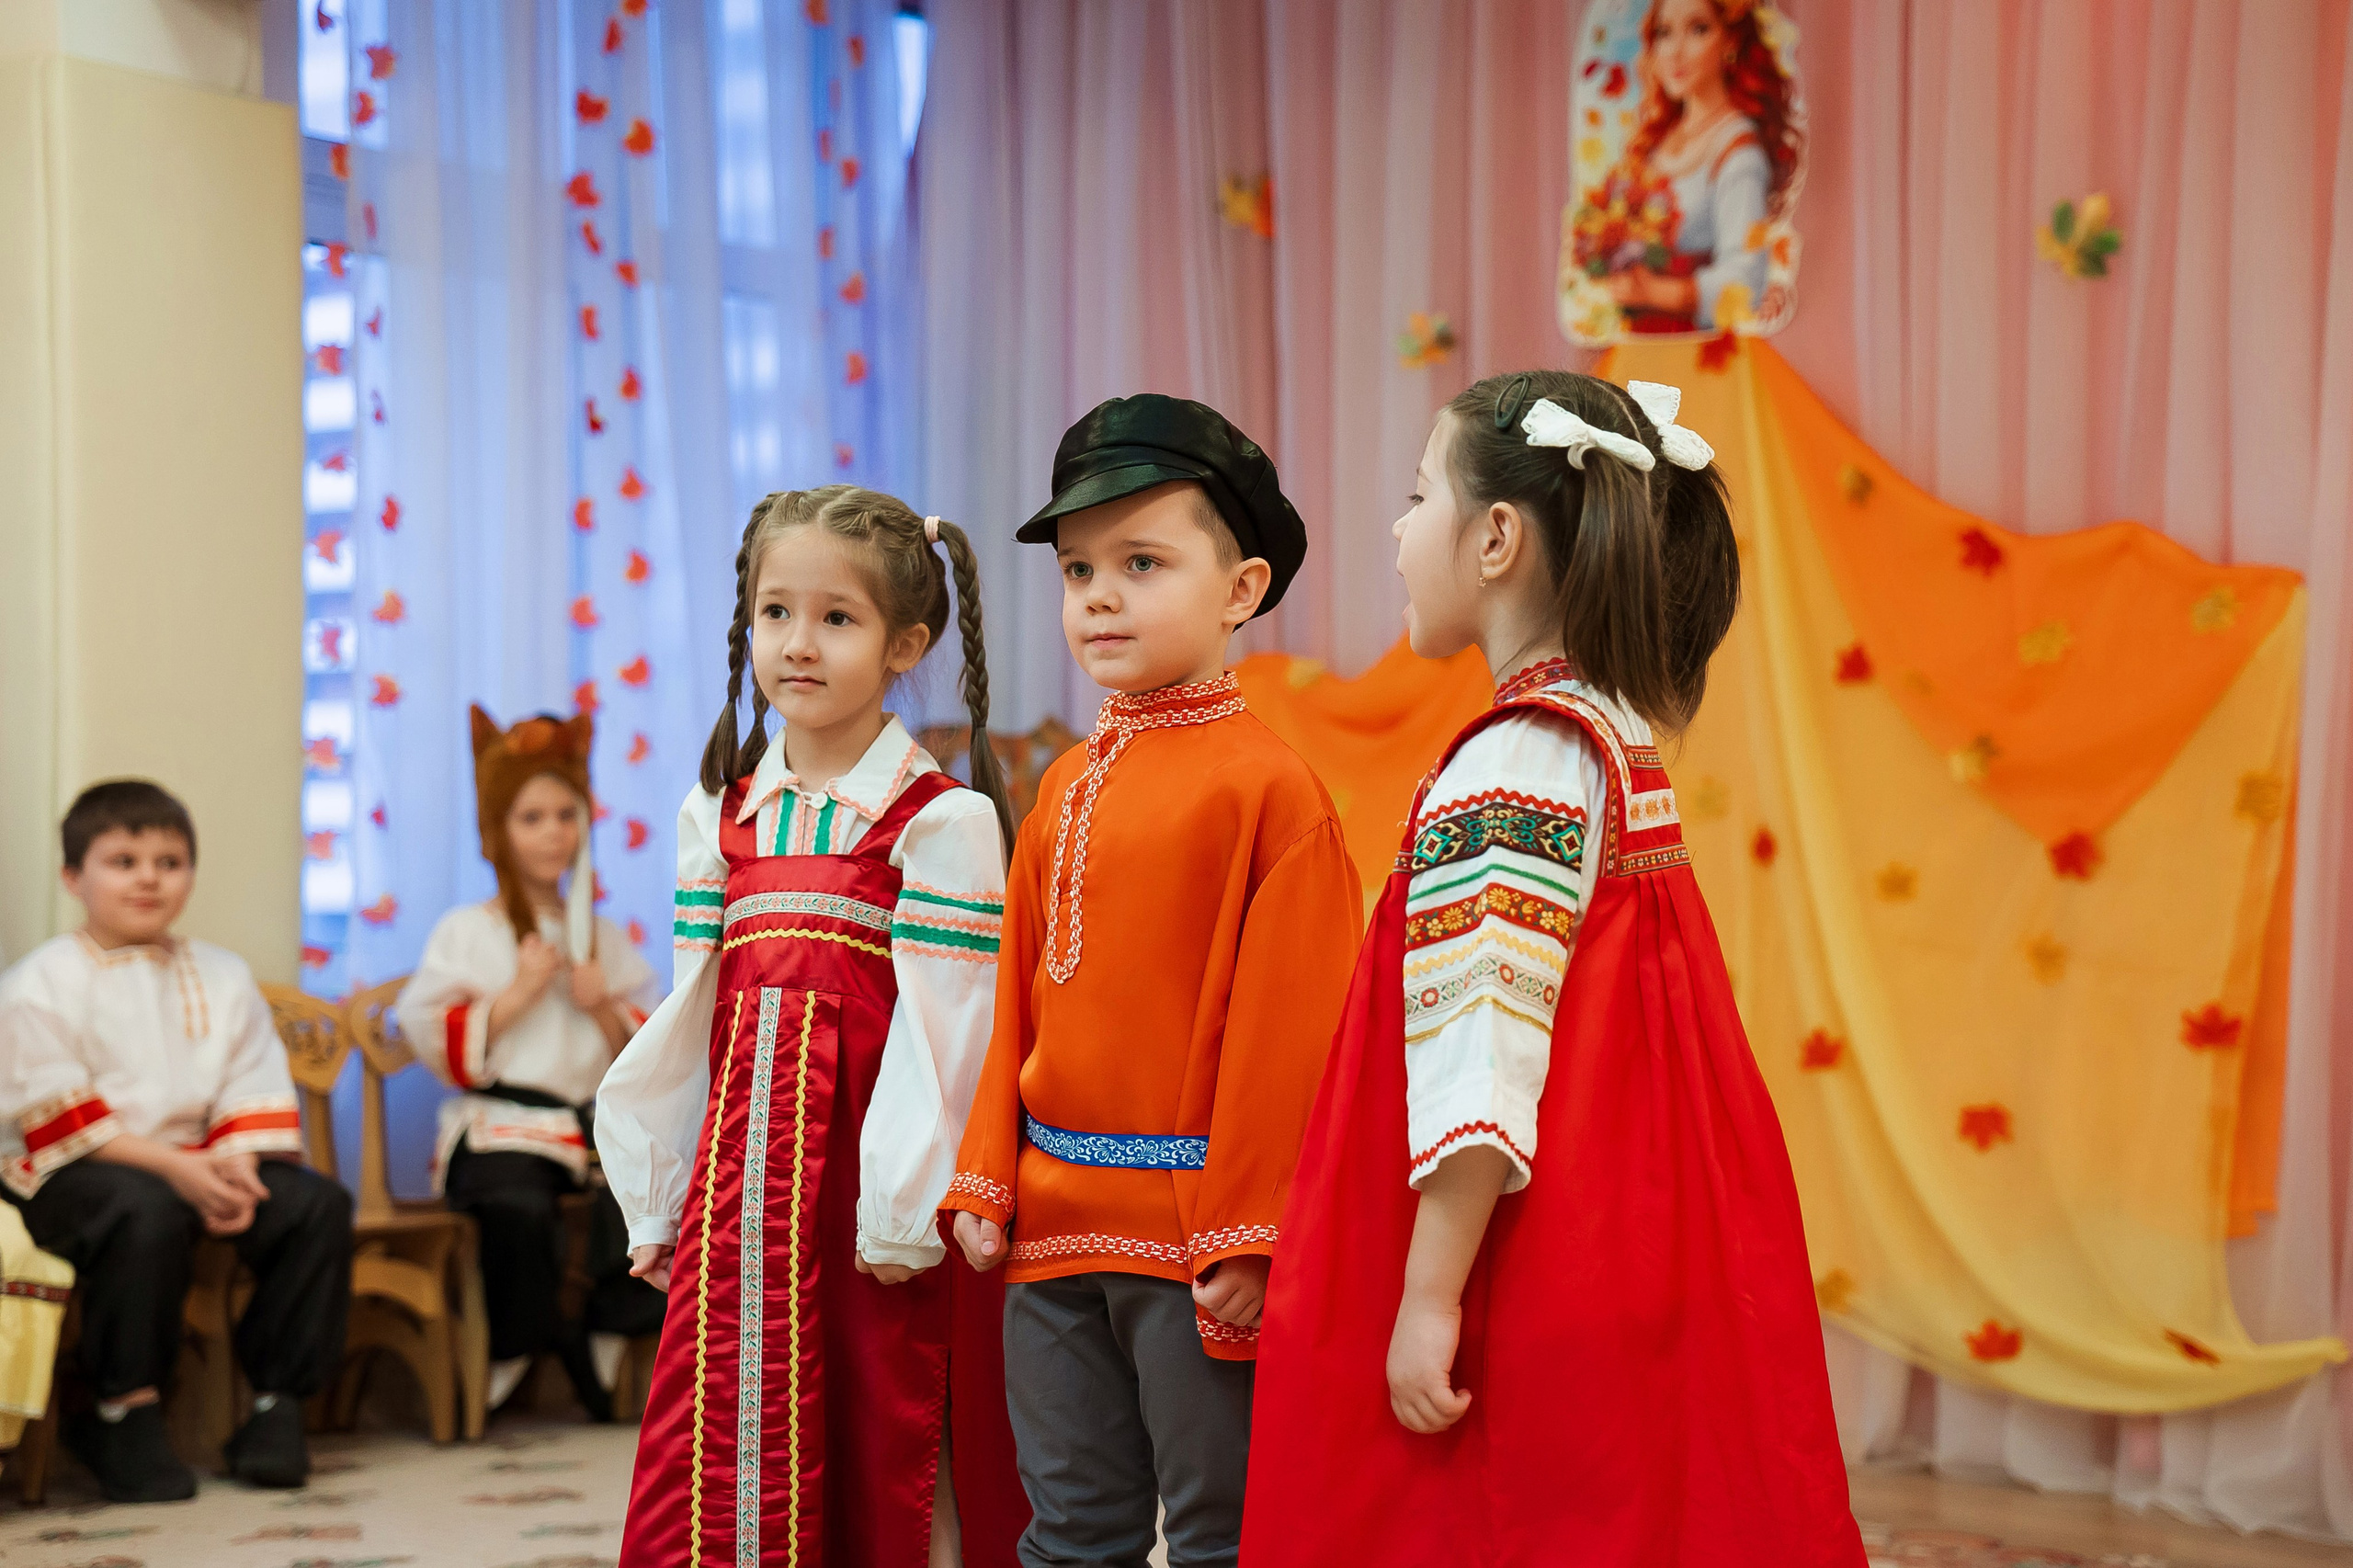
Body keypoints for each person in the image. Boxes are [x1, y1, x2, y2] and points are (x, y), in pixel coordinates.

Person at [1242, 372, 1864, 1565]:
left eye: (1420, 493)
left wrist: (1428, 1298)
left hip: (1526, 1256)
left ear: (1496, 538)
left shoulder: (1514, 765)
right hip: (1631, 1220)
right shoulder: (1611, 731)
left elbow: (1485, 1053)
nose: (1397, 525)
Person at [939, 395, 1363, 1568]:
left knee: (1227, 1533)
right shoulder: (1063, 785)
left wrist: (1249, 1236)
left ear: (1240, 590)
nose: (1100, 596)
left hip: (1190, 1249)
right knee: (1070, 1527)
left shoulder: (1270, 792)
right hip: (1050, 1240)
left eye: (1141, 561)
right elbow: (1011, 996)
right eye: (1079, 570)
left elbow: (1295, 1036)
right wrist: (985, 1171)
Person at [598, 487, 1028, 1568]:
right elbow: (692, 1013)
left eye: (837, 618)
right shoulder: (720, 813)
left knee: (894, 1423)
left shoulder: (939, 820)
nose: (797, 643)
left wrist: (901, 1208)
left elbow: (951, 1031)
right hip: (745, 1194)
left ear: (906, 643)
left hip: (875, 1190)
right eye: (774, 612)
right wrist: (661, 1193)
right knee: (729, 1427)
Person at [0, 780, 353, 1502]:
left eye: (169, 860)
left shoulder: (221, 975)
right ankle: (119, 1411)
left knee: (314, 1206)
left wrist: (237, 1169)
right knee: (144, 1211)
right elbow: (63, 1119)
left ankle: (274, 1408)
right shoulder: (41, 981)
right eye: (123, 860)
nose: (149, 877)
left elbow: (248, 1086)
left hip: (201, 1159)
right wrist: (182, 1173)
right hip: (73, 1169)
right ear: (74, 877)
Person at [395, 707, 665, 1422]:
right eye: (530, 817)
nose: (552, 833)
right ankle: (519, 1340)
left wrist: (603, 1004)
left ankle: (608, 1325)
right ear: (497, 830)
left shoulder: (602, 936)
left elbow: (655, 1054)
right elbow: (427, 1029)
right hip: (502, 1124)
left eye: (565, 814)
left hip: (590, 1128)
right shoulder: (468, 930)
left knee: (664, 1190)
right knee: (512, 1203)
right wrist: (515, 995)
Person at [1605, 0, 1803, 334]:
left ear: (1730, 41)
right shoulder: (1660, 140)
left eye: (1698, 29)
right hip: (1642, 342)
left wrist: (1655, 292)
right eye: (1665, 33)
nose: (1674, 52)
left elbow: (1746, 278)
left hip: (1698, 347)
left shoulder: (1738, 151)